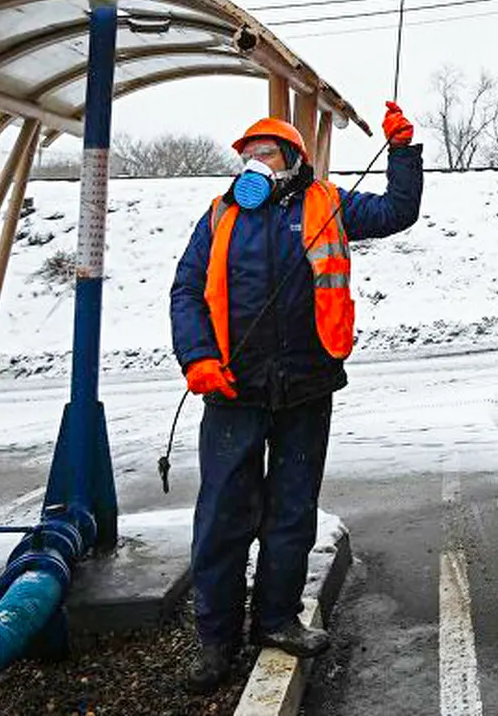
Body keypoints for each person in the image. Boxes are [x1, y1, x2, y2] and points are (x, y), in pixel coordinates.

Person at [169, 103, 421, 693]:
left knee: (291, 512)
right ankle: (216, 641)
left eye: (266, 155)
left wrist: (402, 151)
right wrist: (198, 358)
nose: (254, 164)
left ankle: (277, 620)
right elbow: (185, 291)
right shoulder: (218, 215)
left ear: (293, 162)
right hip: (233, 392)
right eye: (247, 156)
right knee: (223, 518)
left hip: (307, 386)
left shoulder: (327, 204)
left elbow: (397, 211)